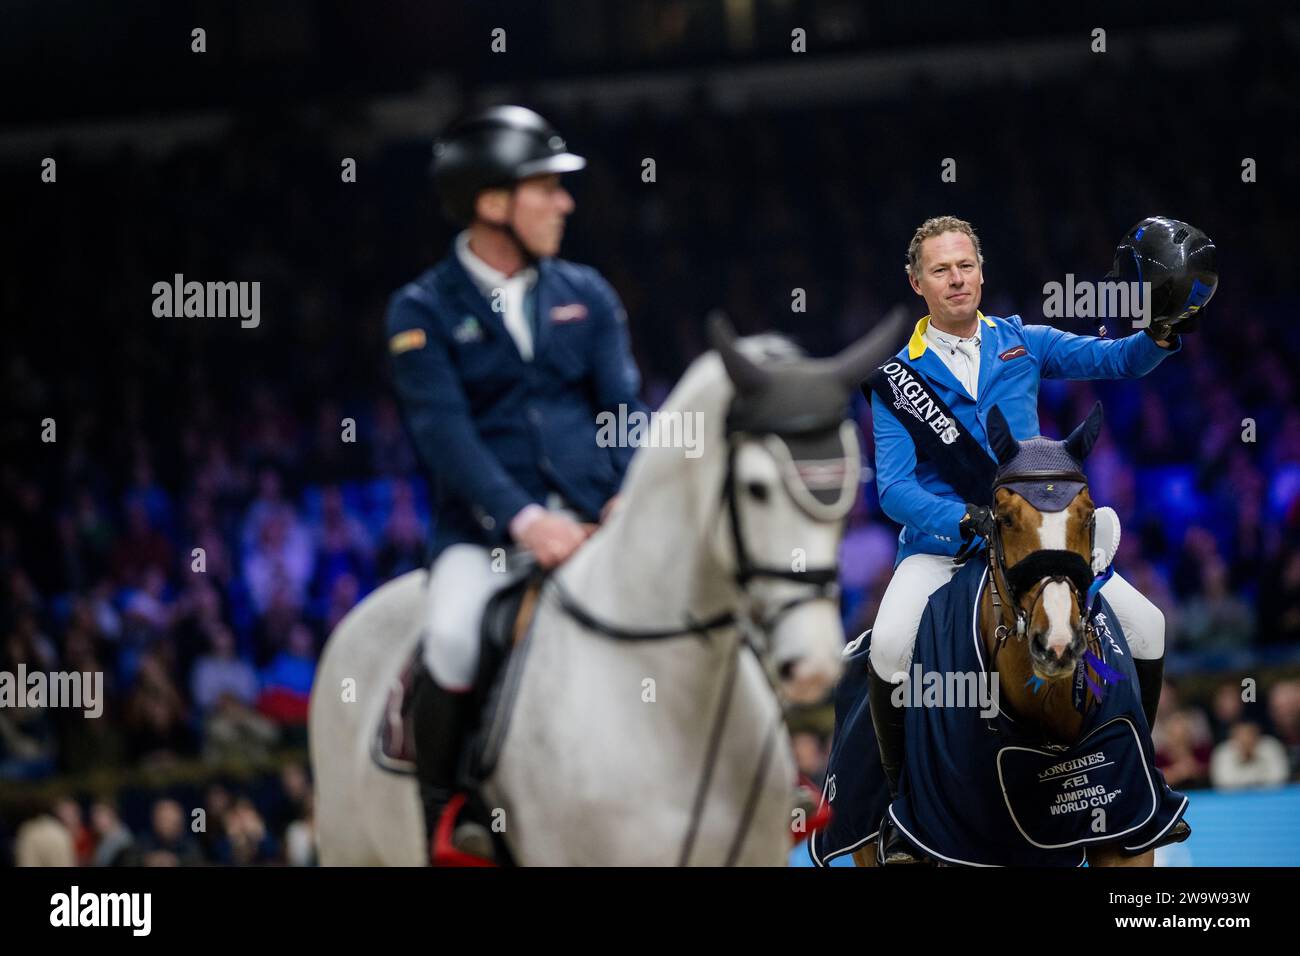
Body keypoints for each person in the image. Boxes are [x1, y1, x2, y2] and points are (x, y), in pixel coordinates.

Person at [865, 215, 1215, 859]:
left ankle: (1138, 776)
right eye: (940, 270)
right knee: (888, 646)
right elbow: (893, 488)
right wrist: (964, 520)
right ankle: (901, 807)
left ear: (982, 270)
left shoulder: (1020, 341)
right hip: (944, 550)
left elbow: (1115, 359)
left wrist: (1163, 331)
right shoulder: (896, 378)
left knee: (1147, 626)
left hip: (1034, 543)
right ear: (917, 283)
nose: (957, 279)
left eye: (965, 265)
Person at [385, 105, 646, 863]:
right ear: (492, 203)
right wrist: (529, 522)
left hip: (601, 518)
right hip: (487, 534)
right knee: (454, 639)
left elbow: (623, 406)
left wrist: (629, 491)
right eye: (546, 189)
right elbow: (445, 438)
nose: (565, 203)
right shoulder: (421, 309)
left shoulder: (587, 291)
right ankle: (451, 813)